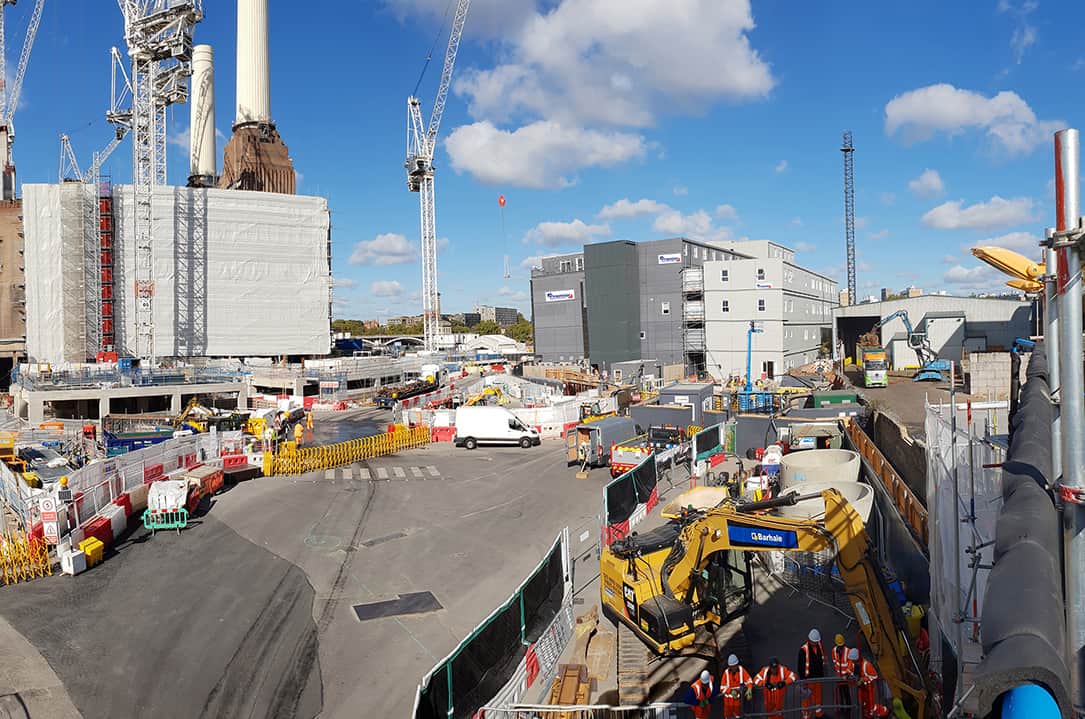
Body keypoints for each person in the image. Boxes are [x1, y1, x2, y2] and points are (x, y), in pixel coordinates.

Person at [797, 628, 827, 719]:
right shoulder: (803, 650)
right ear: (809, 640)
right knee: (807, 699)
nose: (816, 643)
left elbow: (822, 660)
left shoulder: (819, 645)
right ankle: (806, 716)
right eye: (814, 642)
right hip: (808, 679)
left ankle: (818, 714)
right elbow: (800, 667)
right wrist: (803, 680)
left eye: (817, 641)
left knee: (818, 697)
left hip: (818, 678)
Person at [849, 648, 882, 718]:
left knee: (872, 707)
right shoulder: (853, 664)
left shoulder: (867, 665)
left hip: (869, 689)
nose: (852, 661)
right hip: (862, 690)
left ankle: (885, 712)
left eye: (853, 660)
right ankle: (868, 716)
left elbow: (875, 676)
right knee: (864, 705)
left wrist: (863, 680)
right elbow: (851, 673)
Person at [720, 654, 753, 719]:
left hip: (737, 701)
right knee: (727, 717)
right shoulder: (726, 673)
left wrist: (749, 689)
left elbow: (749, 680)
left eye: (735, 666)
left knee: (738, 716)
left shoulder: (741, 670)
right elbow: (722, 688)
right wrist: (730, 691)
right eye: (732, 666)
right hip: (728, 702)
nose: (734, 668)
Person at [830, 634, 854, 718]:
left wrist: (846, 674)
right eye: (839, 646)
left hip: (846, 678)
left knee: (847, 694)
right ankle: (842, 708)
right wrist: (837, 673)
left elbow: (850, 664)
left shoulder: (848, 651)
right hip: (838, 677)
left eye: (841, 645)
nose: (840, 647)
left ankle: (848, 710)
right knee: (840, 693)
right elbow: (834, 661)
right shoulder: (834, 650)